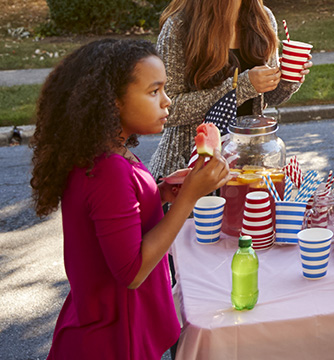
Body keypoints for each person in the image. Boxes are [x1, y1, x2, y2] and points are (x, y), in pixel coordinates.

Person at [30, 39, 231, 360]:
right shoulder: (108, 170)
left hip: (110, 329)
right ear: (112, 103)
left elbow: (122, 213)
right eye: (154, 92)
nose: (167, 102)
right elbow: (132, 272)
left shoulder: (107, 154)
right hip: (112, 341)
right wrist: (188, 199)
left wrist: (163, 193)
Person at [147, 0, 306, 179]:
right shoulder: (179, 29)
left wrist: (287, 78)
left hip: (245, 169)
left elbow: (269, 98)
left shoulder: (263, 20)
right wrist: (241, 86)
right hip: (186, 173)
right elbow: (169, 109)